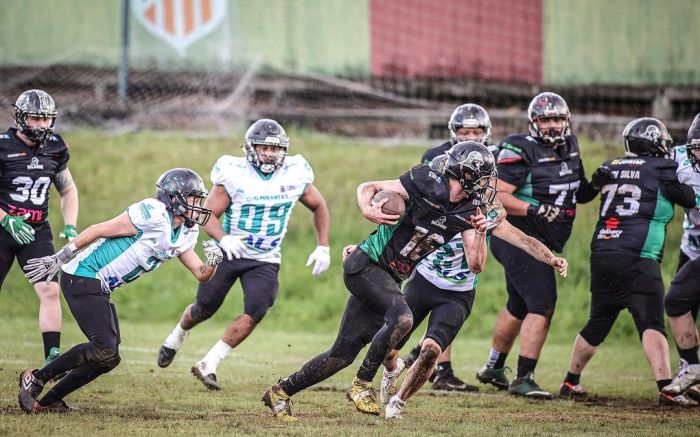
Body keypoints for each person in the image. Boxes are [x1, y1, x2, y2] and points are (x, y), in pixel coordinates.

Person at [261, 141, 566, 422]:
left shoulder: (470, 211)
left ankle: (280, 392)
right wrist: (367, 208)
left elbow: (484, 260)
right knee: (403, 317)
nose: (488, 184)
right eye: (483, 176)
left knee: (341, 355)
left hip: (390, 276)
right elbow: (369, 187)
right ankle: (362, 384)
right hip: (366, 265)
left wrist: (547, 257)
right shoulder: (426, 180)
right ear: (464, 173)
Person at [17, 168, 223, 413]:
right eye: (193, 198)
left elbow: (200, 274)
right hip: (83, 275)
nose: (197, 205)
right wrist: (60, 256)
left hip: (99, 286)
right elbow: (98, 229)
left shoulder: (186, 232)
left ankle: (49, 401)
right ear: (174, 198)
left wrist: (212, 262)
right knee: (103, 347)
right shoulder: (153, 213)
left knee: (109, 358)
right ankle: (37, 378)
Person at [156, 119, 330, 390]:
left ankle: (209, 363)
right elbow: (208, 214)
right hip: (231, 250)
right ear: (251, 148)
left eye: (276, 149)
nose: (271, 154)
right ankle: (176, 336)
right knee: (204, 308)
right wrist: (224, 238)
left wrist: (323, 245)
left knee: (258, 308)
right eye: (264, 148)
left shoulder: (295, 173)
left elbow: (319, 205)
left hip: (266, 257)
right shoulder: (234, 173)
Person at [375, 199, 568, 418]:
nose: (484, 185)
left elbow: (523, 240)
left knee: (431, 351)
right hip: (423, 282)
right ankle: (391, 370)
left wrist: (550, 258)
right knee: (388, 346)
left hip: (458, 294)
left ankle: (397, 403)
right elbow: (398, 228)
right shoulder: (432, 196)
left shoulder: (487, 209)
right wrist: (366, 251)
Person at [558, 117, 696, 406]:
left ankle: (570, 380)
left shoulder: (611, 165)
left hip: (604, 251)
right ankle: (664, 387)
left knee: (598, 321)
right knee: (651, 323)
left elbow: (584, 195)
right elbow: (687, 198)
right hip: (639, 256)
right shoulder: (662, 167)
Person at [475, 92, 603, 399]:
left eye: (558, 119)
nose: (553, 125)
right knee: (542, 302)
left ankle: (493, 367)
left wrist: (599, 182)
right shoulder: (520, 148)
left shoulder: (571, 146)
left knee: (519, 305)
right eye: (546, 119)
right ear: (534, 123)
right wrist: (534, 209)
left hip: (545, 238)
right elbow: (497, 196)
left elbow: (578, 193)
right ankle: (523, 377)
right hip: (516, 236)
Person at [402, 103, 495, 392]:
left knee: (452, 297)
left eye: (476, 131)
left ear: (486, 132)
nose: (471, 136)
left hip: (475, 225)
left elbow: (494, 198)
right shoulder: (436, 157)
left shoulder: (493, 157)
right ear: (453, 133)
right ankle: (435, 365)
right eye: (465, 131)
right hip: (444, 234)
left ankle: (430, 360)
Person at [1, 89, 79, 366]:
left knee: (49, 289)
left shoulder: (56, 146)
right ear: (21, 118)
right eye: (36, 118)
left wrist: (70, 226)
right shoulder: (3, 145)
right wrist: (5, 218)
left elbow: (68, 190)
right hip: (3, 229)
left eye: (46, 119)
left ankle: (52, 356)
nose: (42, 124)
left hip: (35, 230)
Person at [661, 113, 700, 401]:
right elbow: (650, 163)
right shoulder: (680, 157)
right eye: (697, 147)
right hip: (692, 245)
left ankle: (693, 370)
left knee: (675, 300)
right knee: (684, 306)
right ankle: (691, 372)